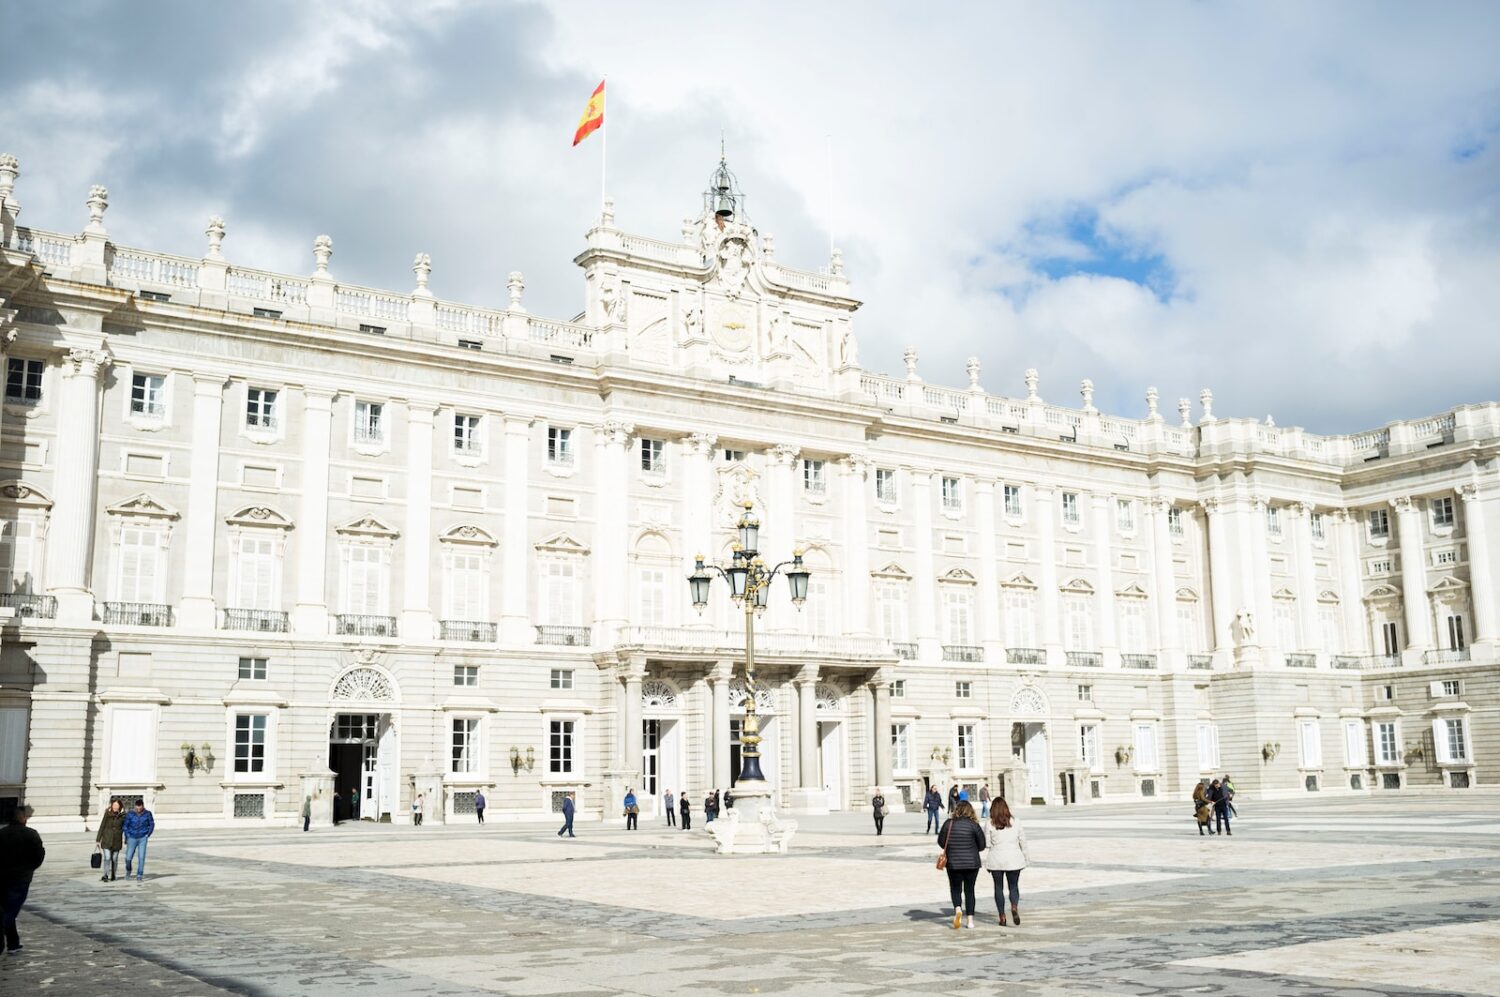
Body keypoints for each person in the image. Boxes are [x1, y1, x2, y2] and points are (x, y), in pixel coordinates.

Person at [0, 804, 45, 953]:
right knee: (10, 911)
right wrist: (29, 868)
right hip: (21, 878)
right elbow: (39, 855)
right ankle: (8, 943)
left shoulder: (2, 833)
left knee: (6, 909)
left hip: (2, 877)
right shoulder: (31, 834)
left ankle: (13, 943)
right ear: (23, 818)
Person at [937, 800, 986, 930]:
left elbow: (941, 842)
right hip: (972, 864)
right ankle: (970, 921)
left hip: (953, 863)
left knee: (955, 888)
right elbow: (982, 845)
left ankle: (958, 909)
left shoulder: (949, 824)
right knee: (970, 891)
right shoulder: (974, 825)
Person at [983, 799, 1028, 926]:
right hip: (1014, 858)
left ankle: (1002, 916)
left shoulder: (990, 824)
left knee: (998, 888)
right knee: (1013, 886)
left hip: (996, 858)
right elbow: (1023, 841)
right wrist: (1026, 857)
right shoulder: (1016, 822)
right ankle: (1014, 907)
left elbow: (986, 844)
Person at [122, 797, 154, 883]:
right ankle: (128, 870)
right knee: (128, 858)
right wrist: (127, 835)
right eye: (137, 807)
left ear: (143, 806)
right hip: (132, 837)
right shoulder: (130, 814)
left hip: (142, 837)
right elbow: (125, 825)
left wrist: (148, 834)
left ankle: (139, 874)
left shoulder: (147, 814)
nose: (138, 809)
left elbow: (151, 824)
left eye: (140, 807)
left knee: (141, 857)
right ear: (135, 806)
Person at [96, 799, 125, 881]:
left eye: (117, 805)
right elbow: (102, 826)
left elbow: (125, 828)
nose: (115, 807)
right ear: (112, 806)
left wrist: (127, 837)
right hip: (106, 839)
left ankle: (113, 874)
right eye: (114, 805)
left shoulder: (123, 815)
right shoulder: (107, 814)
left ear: (120, 806)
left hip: (117, 840)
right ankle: (105, 875)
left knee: (114, 859)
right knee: (107, 857)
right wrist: (98, 839)